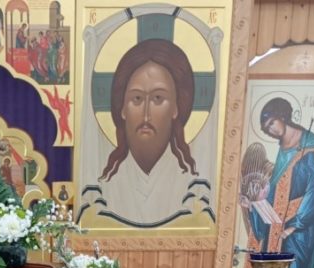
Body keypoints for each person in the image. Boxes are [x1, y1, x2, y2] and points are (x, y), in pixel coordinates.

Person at [79, 39, 213, 227]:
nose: (146, 114)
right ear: (122, 108)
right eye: (137, 98)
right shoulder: (103, 186)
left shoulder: (194, 188)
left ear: (176, 108)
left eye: (158, 98)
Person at [242, 97, 314, 268]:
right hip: (279, 224)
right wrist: (254, 205)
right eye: (266, 128)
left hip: (301, 226)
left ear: (282, 115)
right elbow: (276, 190)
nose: (270, 130)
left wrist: (295, 225)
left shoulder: (312, 145)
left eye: (271, 123)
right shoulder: (282, 151)